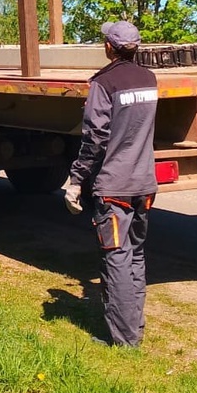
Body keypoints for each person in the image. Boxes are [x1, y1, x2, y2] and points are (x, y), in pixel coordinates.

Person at [64, 20, 158, 348]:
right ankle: (135, 328)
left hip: (114, 188)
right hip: (144, 184)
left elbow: (95, 139)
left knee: (115, 256)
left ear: (109, 47)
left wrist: (76, 180)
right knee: (134, 254)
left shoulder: (104, 84)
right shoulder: (149, 79)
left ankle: (124, 340)